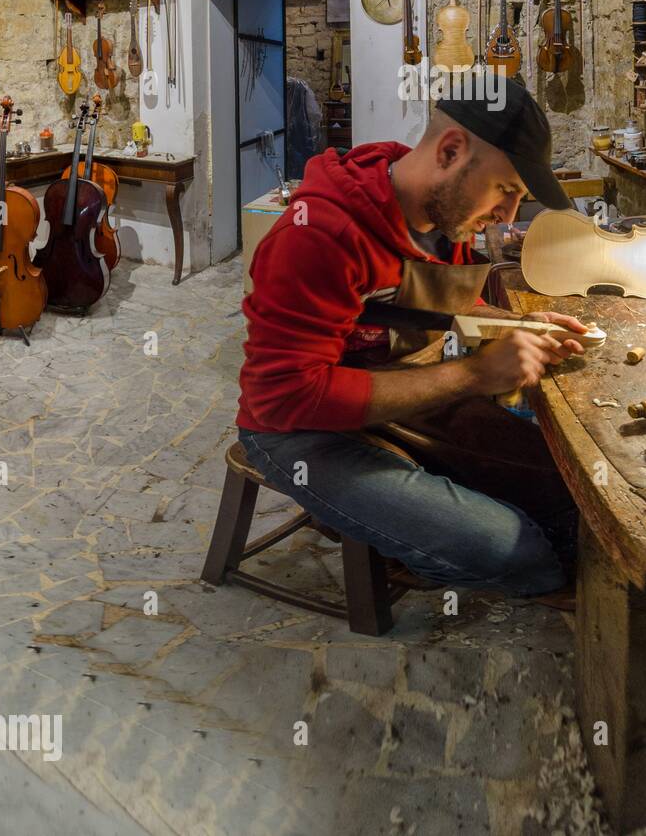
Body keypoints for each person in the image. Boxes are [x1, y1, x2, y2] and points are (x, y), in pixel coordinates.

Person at [236, 91, 588, 600]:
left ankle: (410, 516)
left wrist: (519, 324)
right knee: (523, 557)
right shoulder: (316, 237)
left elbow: (436, 305)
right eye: (505, 189)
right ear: (449, 152)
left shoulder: (443, 219)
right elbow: (283, 398)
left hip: (397, 400)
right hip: (298, 433)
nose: (509, 214)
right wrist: (474, 376)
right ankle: (395, 536)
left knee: (567, 490)